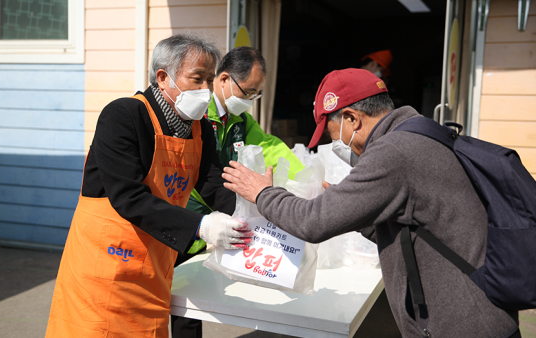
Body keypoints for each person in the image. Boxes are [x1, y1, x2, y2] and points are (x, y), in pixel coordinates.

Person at [221, 68, 521, 337]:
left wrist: (262, 192)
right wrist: (345, 205)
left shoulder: (393, 153)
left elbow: (312, 223)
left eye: (333, 134)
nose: (334, 145)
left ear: (352, 118)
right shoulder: (422, 131)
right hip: (482, 310)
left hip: (461, 323)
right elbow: (412, 222)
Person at [45, 35, 254, 338]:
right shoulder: (123, 116)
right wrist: (202, 226)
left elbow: (212, 183)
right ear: (163, 77)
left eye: (210, 80)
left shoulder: (199, 129)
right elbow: (128, 197)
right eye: (197, 79)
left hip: (154, 270)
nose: (206, 91)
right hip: (103, 274)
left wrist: (256, 212)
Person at [171, 46, 305, 338]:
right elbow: (201, 175)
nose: (252, 101)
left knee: (199, 290)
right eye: (249, 92)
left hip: (219, 214)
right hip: (186, 212)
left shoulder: (240, 120)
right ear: (223, 80)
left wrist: (303, 177)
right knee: (179, 296)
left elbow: (268, 146)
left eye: (258, 94)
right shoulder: (197, 112)